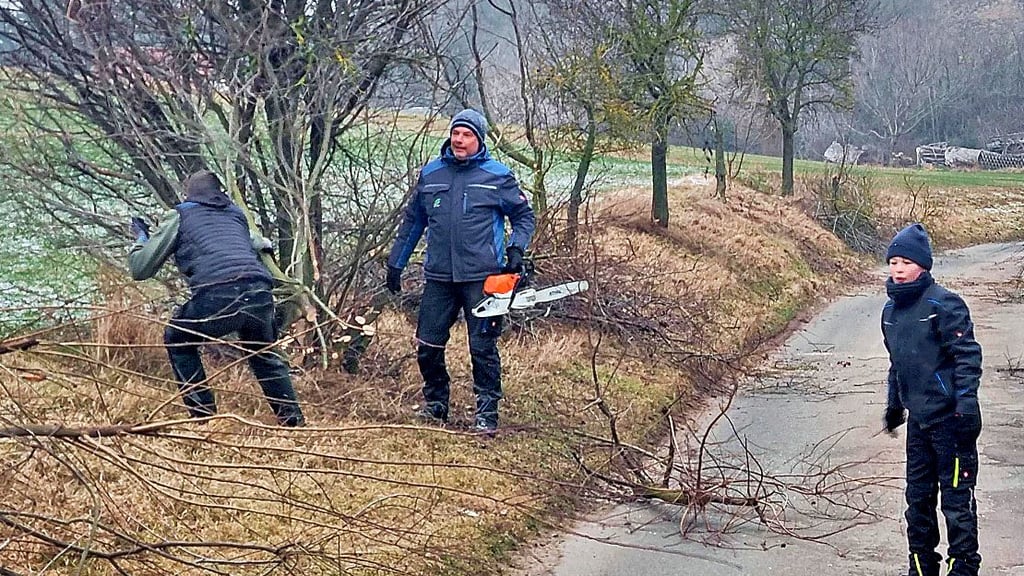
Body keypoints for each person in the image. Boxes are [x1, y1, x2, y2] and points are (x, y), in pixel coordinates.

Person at [386, 109, 535, 434]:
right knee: (428, 344)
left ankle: (486, 413)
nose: (459, 139)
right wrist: (396, 262)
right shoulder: (432, 174)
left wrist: (515, 249)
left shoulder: (498, 176)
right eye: (456, 133)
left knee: (482, 347)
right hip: (439, 276)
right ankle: (436, 404)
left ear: (478, 139)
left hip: (484, 278)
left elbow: (524, 217)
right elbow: (413, 222)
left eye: (467, 135)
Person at [128, 170, 305, 427]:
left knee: (178, 338)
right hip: (259, 289)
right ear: (220, 192)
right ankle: (293, 422)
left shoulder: (181, 214)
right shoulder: (235, 214)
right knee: (264, 353)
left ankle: (204, 417)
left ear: (188, 194)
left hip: (218, 292)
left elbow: (140, 268)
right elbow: (258, 242)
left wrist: (141, 238)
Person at [880, 223, 983, 576]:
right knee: (918, 501)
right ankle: (921, 566)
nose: (898, 269)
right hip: (920, 424)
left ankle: (963, 567)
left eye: (905, 262)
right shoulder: (890, 314)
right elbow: (898, 364)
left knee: (956, 503)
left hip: (952, 422)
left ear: (923, 265)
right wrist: (894, 404)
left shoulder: (945, 305)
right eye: (893, 262)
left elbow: (967, 357)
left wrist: (966, 404)